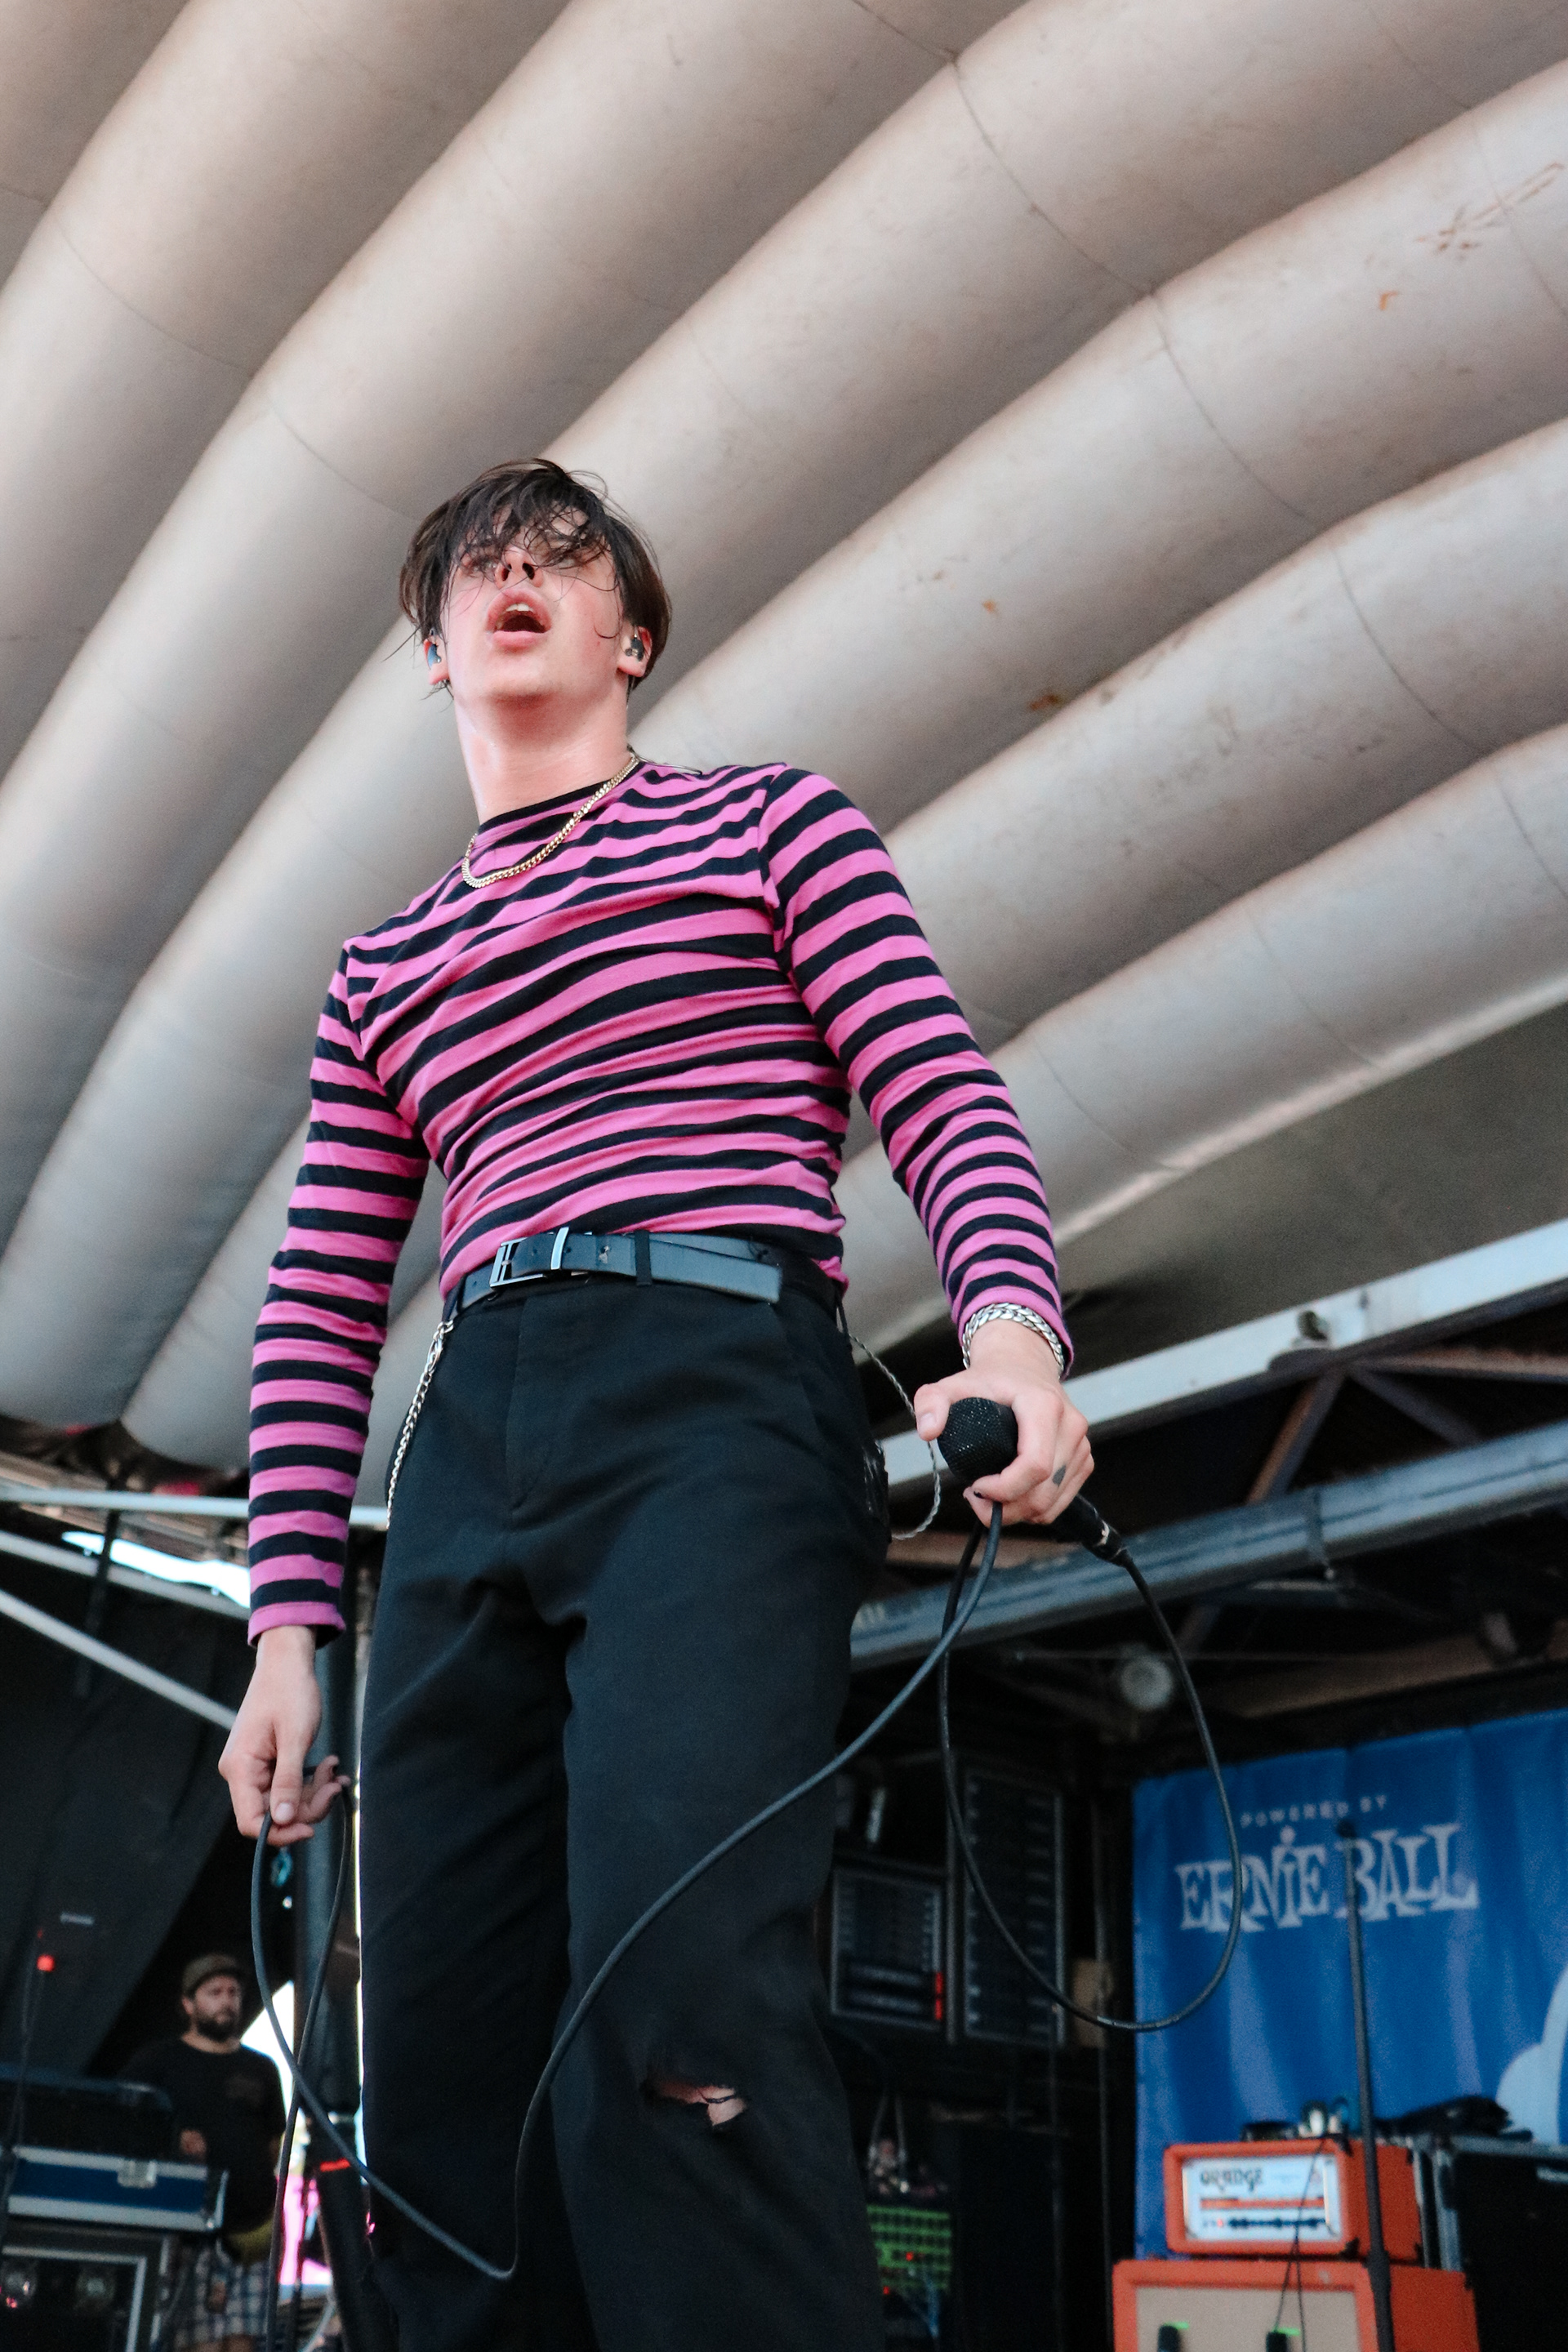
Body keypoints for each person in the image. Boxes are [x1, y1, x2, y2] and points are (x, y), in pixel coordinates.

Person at [219, 458, 1092, 2351]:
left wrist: (1013, 1336)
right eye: (473, 566)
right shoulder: (383, 967)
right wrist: (287, 1629)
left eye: (560, 555)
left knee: (676, 1985)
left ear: (631, 634)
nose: (512, 575)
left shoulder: (772, 825)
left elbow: (937, 1086)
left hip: (714, 1385)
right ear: (434, 652)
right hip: (475, 1427)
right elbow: (322, 1300)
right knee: (440, 2029)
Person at [122, 1954, 285, 2352]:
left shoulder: (262, 2068)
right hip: (188, 2232)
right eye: (214, 1992)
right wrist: (173, 2140)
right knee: (200, 2344)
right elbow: (124, 2126)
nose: (226, 2001)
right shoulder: (156, 2062)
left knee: (245, 2342)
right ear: (188, 2004)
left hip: (252, 2233)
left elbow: (273, 2144)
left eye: (233, 1992)